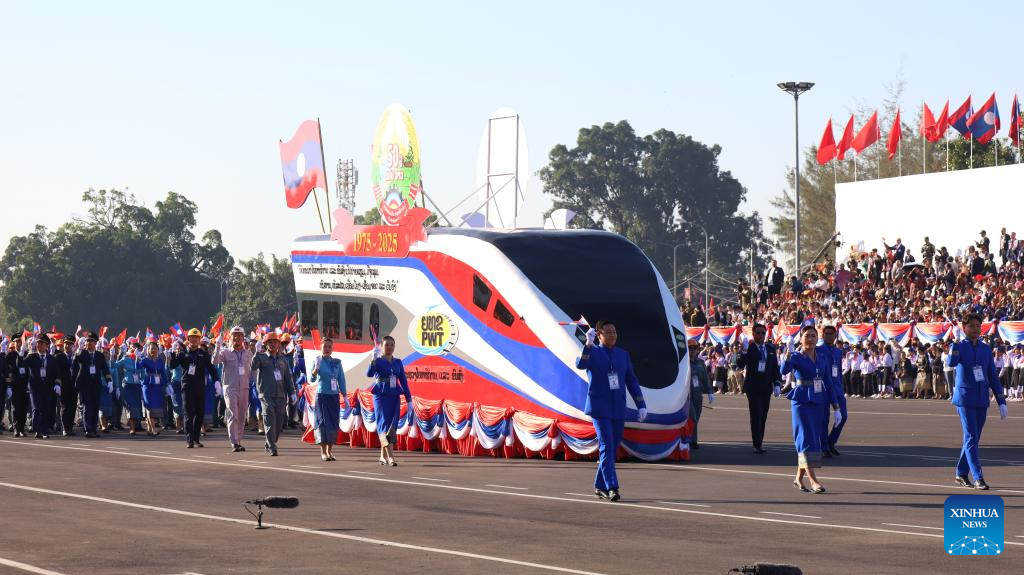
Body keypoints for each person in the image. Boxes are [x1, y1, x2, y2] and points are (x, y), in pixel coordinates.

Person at [575, 320, 647, 502]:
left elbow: (631, 381)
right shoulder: (592, 352)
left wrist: (641, 404)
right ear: (599, 334)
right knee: (606, 446)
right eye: (608, 332)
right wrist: (587, 344)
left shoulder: (623, 355)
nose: (612, 335)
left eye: (614, 331)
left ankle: (599, 486)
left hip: (618, 408)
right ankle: (612, 487)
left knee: (612, 449)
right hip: (600, 408)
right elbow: (580, 364)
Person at [948, 313, 1009, 490]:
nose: (975, 329)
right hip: (965, 398)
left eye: (977, 326)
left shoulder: (985, 349)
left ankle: (961, 473)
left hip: (982, 398)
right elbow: (952, 362)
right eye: (971, 326)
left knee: (972, 438)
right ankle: (978, 477)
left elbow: (992, 375)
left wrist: (1001, 400)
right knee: (971, 437)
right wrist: (955, 343)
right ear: (964, 328)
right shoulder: (959, 346)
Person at [781, 325, 839, 494]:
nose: (811, 339)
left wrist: (836, 407)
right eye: (807, 336)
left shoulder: (822, 357)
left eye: (813, 336)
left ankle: (798, 478)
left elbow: (828, 382)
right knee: (805, 439)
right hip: (801, 401)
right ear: (801, 339)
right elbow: (783, 370)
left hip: (818, 401)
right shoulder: (796, 356)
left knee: (813, 439)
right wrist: (788, 352)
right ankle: (813, 481)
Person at [168, 328, 220, 448]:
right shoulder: (182, 353)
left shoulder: (203, 354)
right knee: (188, 413)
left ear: (199, 340)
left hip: (200, 386)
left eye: (197, 338)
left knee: (200, 413)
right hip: (187, 386)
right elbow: (172, 366)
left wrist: (217, 381)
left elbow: (211, 368)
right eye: (192, 338)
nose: (194, 340)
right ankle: (189, 439)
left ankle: (196, 438)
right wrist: (173, 354)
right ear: (188, 339)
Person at [368, 335, 412, 466]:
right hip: (380, 396)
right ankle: (391, 456)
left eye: (392, 345)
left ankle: (383, 456)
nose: (389, 347)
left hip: (394, 395)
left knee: (392, 424)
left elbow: (403, 381)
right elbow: (369, 374)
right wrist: (372, 360)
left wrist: (409, 399)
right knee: (383, 424)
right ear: (382, 346)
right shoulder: (378, 360)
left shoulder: (398, 362)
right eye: (387, 345)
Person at [251, 332, 297, 456]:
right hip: (266, 395)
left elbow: (288, 378)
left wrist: (292, 392)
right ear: (265, 344)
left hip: (281, 395)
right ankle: (272, 446)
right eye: (269, 342)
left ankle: (270, 442)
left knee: (278, 424)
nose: (272, 344)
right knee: (269, 420)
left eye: (275, 342)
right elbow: (253, 366)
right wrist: (256, 352)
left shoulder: (283, 360)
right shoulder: (261, 357)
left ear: (278, 344)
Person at [736, 323, 780, 454]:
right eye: (758, 333)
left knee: (763, 415)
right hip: (753, 387)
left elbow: (775, 367)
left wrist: (777, 383)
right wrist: (744, 351)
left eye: (762, 333)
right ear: (753, 334)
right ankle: (757, 444)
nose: (760, 335)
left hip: (766, 387)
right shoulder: (749, 348)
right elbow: (740, 364)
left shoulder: (770, 348)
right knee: (756, 415)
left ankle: (759, 441)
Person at [212, 326, 254, 452]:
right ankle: (234, 442)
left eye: (240, 335)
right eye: (235, 335)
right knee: (233, 414)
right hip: (230, 388)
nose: (237, 337)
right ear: (230, 337)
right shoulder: (225, 352)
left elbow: (252, 371)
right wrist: (217, 346)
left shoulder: (248, 353)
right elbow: (214, 361)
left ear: (243, 338)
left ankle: (238, 441)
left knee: (241, 416)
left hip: (244, 388)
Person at [71, 332, 113, 438]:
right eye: (87, 341)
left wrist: (109, 381)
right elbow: (74, 365)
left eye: (91, 341)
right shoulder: (82, 353)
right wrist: (77, 353)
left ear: (95, 343)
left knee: (95, 407)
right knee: (87, 407)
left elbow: (105, 369)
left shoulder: (99, 355)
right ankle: (88, 429)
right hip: (85, 384)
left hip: (96, 385)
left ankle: (93, 429)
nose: (88, 343)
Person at [310, 337, 345, 461]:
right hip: (322, 396)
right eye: (325, 346)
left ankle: (330, 451)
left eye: (330, 347)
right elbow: (312, 379)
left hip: (334, 396)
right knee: (322, 422)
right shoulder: (317, 360)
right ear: (321, 348)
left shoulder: (337, 362)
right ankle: (323, 452)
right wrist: (316, 369)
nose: (327, 349)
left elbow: (341, 379)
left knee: (333, 422)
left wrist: (344, 395)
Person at [23, 334, 60, 439]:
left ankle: (44, 430)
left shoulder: (52, 359)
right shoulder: (32, 356)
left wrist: (57, 384)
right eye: (38, 343)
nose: (39, 345)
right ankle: (37, 430)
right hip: (35, 387)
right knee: (37, 408)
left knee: (46, 409)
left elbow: (57, 373)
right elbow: (21, 365)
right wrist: (23, 353)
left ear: (47, 345)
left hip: (47, 387)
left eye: (42, 343)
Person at [818, 325, 846, 456]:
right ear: (823, 335)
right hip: (823, 388)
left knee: (843, 416)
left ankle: (831, 441)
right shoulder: (817, 350)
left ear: (835, 336)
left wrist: (841, 385)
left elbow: (838, 371)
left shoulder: (839, 352)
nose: (829, 336)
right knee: (824, 419)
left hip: (837, 388)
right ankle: (824, 447)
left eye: (831, 334)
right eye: (827, 333)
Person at [113, 341, 145, 435]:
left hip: (137, 386)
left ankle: (135, 426)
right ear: (129, 347)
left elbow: (143, 375)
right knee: (130, 407)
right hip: (127, 386)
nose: (133, 348)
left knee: (136, 407)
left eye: (136, 347)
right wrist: (113, 355)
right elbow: (114, 365)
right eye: (132, 346)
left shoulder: (140, 359)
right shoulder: (125, 359)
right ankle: (132, 428)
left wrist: (143, 385)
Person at [686, 339, 713, 450]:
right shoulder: (683, 362)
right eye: (690, 348)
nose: (692, 350)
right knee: (692, 417)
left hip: (698, 394)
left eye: (694, 348)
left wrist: (710, 392)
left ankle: (692, 440)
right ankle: (691, 441)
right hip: (687, 394)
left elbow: (705, 378)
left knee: (696, 418)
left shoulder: (701, 363)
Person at [54, 335, 77, 436]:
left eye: (70, 344)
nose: (67, 346)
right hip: (64, 386)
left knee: (73, 407)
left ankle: (70, 428)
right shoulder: (59, 357)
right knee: (65, 407)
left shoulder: (76, 357)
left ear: (73, 346)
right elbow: (57, 372)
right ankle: (65, 428)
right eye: (66, 344)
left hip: (74, 386)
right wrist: (58, 384)